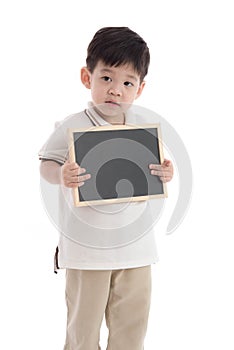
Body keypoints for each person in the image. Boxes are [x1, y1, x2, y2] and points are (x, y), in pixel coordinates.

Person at [39, 27, 173, 350]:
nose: (116, 90)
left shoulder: (142, 127)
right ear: (88, 78)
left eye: (127, 83)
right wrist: (62, 176)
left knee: (132, 325)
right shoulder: (74, 124)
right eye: (107, 79)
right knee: (83, 330)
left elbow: (155, 169)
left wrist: (166, 171)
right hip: (88, 251)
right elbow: (46, 165)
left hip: (136, 249)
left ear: (139, 89)